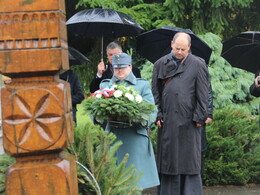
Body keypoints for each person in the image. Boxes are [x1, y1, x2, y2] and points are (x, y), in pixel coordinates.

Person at [152, 32, 209, 195]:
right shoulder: (160, 64)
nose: (179, 52)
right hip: (168, 122)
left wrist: (200, 116)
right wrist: (158, 114)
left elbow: (203, 93)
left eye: (183, 49)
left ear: (189, 48)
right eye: (177, 48)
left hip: (189, 123)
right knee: (169, 162)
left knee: (188, 163)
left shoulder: (198, 64)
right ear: (172, 44)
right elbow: (155, 93)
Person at [100, 53, 160, 190]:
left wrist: (136, 116)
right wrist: (102, 116)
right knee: (112, 182)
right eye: (116, 68)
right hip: (113, 137)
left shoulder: (142, 85)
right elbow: (96, 112)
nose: (119, 70)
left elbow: (151, 112)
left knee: (135, 182)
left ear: (130, 67)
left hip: (134, 138)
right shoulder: (105, 85)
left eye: (123, 67)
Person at [200, 76, 213, 177]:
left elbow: (207, 91)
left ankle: (197, 180)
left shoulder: (200, 65)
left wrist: (208, 113)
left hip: (199, 115)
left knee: (199, 149)